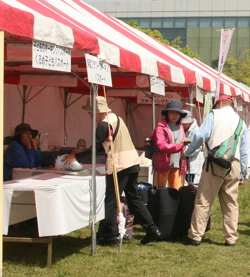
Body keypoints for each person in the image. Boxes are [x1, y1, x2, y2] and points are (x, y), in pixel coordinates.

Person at [88, 97, 163, 246]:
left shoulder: (104, 124)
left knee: (111, 201)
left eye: (91, 112)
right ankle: (152, 229)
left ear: (98, 111)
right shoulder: (117, 118)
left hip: (120, 164)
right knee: (134, 198)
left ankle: (110, 236)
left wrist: (75, 157)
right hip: (132, 161)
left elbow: (95, 147)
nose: (90, 115)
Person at [183, 95, 250, 246]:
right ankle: (230, 238)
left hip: (214, 163)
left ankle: (195, 236)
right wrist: (242, 172)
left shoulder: (214, 115)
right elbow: (244, 150)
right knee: (230, 202)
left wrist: (187, 152)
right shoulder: (240, 121)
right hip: (234, 163)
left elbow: (200, 136)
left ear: (219, 104)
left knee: (204, 200)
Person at [151, 99, 190, 190]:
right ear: (167, 114)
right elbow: (161, 146)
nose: (175, 115)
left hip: (177, 165)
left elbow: (182, 145)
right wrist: (180, 146)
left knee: (176, 191)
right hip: (163, 164)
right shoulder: (160, 128)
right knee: (160, 191)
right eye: (172, 112)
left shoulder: (181, 127)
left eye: (177, 113)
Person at [181, 113, 205, 185]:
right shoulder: (180, 128)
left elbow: (198, 147)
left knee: (190, 182)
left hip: (192, 160)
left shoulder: (197, 130)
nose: (184, 124)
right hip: (181, 161)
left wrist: (185, 153)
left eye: (185, 123)